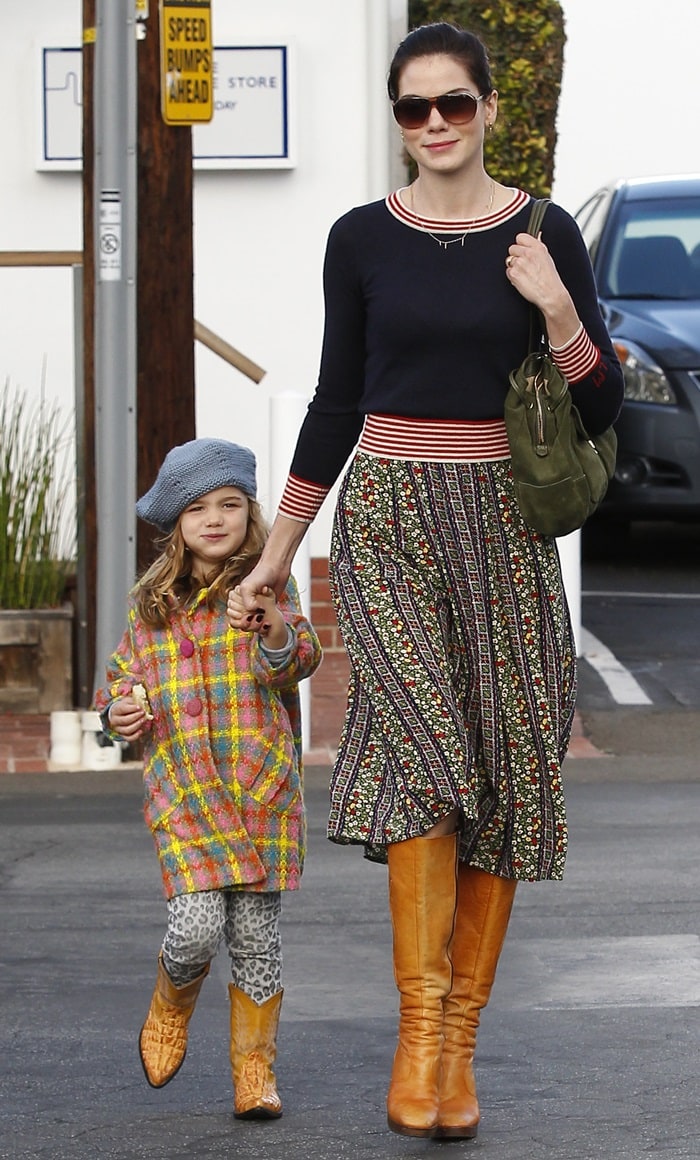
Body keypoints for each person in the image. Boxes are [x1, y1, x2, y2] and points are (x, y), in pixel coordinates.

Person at [238, 21, 624, 1141]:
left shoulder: (545, 234)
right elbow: (334, 403)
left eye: (455, 103)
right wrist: (275, 552)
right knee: (427, 758)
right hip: (392, 521)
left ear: (490, 109)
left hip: (505, 526)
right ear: (396, 120)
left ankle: (459, 1046)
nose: (437, 125)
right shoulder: (360, 236)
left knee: (502, 776)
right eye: (415, 109)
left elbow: (599, 413)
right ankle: (417, 1033)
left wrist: (555, 308)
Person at [94, 438, 322, 1120]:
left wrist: (274, 623)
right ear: (177, 524)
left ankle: (255, 1071)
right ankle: (172, 999)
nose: (214, 519)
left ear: (249, 514)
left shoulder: (266, 590)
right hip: (185, 793)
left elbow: (295, 661)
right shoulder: (150, 607)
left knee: (256, 939)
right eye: (197, 508)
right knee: (194, 928)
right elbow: (118, 685)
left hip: (257, 792)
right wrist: (119, 712)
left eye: (229, 504)